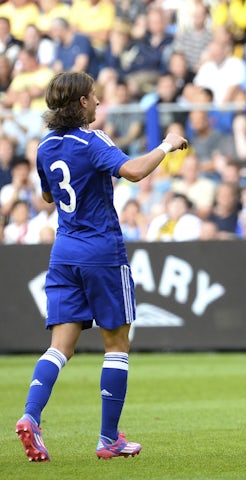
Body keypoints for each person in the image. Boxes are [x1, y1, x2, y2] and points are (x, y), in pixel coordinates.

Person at [15, 71, 187, 462]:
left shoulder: (45, 146)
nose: (98, 102)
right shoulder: (92, 140)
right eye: (93, 97)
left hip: (64, 252)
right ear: (81, 103)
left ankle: (31, 416)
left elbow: (47, 194)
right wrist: (167, 144)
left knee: (60, 346)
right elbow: (135, 171)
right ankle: (108, 438)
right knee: (117, 344)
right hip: (102, 252)